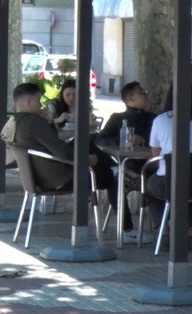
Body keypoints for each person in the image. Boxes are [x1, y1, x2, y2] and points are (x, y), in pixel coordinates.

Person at [8, 83, 131, 231]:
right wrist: (87, 160)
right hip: (60, 177)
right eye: (38, 100)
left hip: (38, 177)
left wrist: (50, 121)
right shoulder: (34, 122)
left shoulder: (14, 123)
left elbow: (53, 143)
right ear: (29, 102)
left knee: (87, 142)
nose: (40, 104)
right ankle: (127, 229)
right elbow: (61, 151)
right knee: (112, 179)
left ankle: (111, 166)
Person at [148, 85, 192, 251]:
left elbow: (155, 157)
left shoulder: (160, 120)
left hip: (168, 182)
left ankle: (163, 230)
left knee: (150, 186)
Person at [97, 82, 156, 147]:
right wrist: (124, 139)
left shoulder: (154, 118)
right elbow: (100, 141)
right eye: (142, 92)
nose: (146, 94)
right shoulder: (117, 118)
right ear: (130, 98)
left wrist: (144, 140)